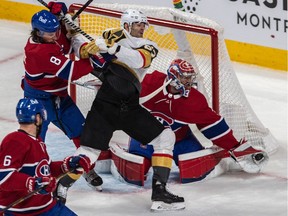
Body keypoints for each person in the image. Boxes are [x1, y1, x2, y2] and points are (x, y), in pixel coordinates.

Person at [72, 9, 185, 211]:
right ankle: (59, 187)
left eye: (144, 24)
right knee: (89, 150)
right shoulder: (110, 35)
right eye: (138, 24)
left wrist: (113, 49)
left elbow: (141, 60)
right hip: (108, 101)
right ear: (126, 25)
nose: (142, 27)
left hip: (127, 106)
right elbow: (82, 53)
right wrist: (89, 45)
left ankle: (160, 194)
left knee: (165, 137)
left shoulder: (149, 45)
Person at [110, 58, 269, 185]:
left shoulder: (194, 100)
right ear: (173, 76)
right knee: (134, 171)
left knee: (194, 171)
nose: (188, 81)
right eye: (184, 77)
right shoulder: (149, 83)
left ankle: (224, 159)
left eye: (189, 78)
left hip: (180, 141)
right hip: (145, 138)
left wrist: (235, 147)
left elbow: (211, 124)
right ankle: (110, 158)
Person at [21, 5, 103, 204]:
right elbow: (71, 71)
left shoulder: (49, 35)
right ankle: (33, 180)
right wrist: (94, 59)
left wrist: (62, 13)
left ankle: (86, 169)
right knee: (36, 144)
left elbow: (64, 40)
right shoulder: (38, 51)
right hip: (38, 102)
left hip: (60, 98)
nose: (54, 35)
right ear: (37, 33)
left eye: (55, 30)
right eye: (49, 33)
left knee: (81, 133)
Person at [0, 98, 91, 215]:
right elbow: (3, 176)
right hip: (20, 212)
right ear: (38, 118)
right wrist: (33, 183)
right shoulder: (15, 140)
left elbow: (45, 170)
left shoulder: (37, 141)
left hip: (47, 207)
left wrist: (67, 165)